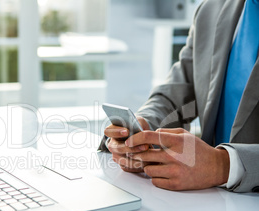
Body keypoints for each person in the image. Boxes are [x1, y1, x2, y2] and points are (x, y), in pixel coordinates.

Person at [102, 0, 259, 193]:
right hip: (212, 203)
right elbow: (180, 90)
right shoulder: (210, 10)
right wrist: (144, 126)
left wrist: (222, 165)